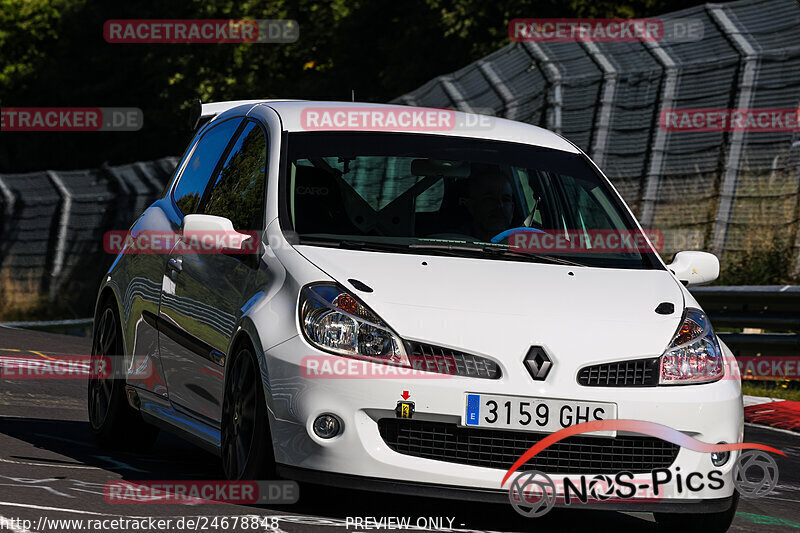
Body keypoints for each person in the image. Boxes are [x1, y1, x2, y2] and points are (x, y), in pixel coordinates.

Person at [464, 166, 515, 242]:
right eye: (490, 199)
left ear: (513, 207)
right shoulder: (452, 240)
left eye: (506, 200)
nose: (500, 205)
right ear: (471, 206)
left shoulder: (524, 243)